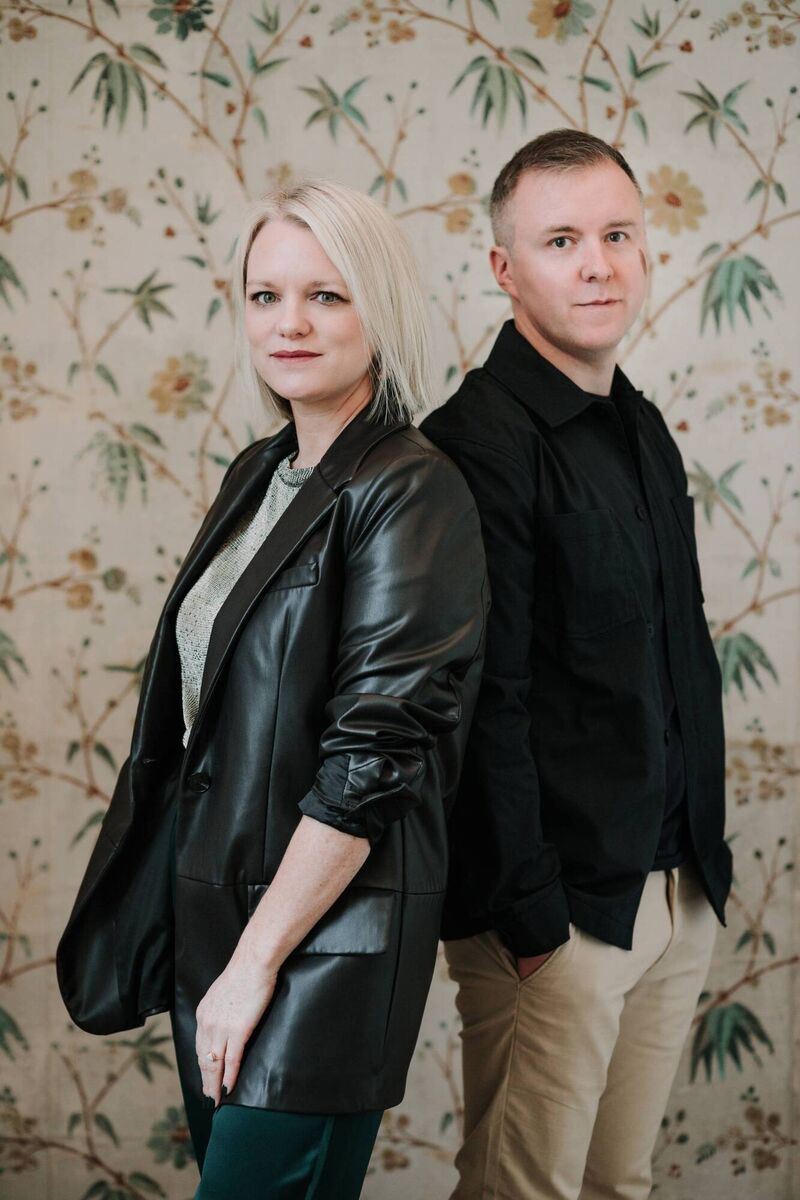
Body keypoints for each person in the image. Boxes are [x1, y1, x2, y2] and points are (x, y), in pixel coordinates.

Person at [56, 179, 488, 1199]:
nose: (288, 323)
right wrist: (217, 953)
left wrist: (256, 966)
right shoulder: (262, 470)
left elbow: (373, 758)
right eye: (264, 296)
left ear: (378, 310)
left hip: (319, 943)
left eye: (327, 297)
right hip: (219, 927)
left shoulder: (411, 488)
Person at [421, 130, 732, 1200]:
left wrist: (697, 869)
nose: (596, 263)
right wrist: (530, 921)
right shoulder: (474, 441)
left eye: (615, 234)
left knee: (617, 1188)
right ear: (505, 268)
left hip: (673, 885)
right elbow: (478, 702)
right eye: (560, 240)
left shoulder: (637, 424)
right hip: (554, 914)